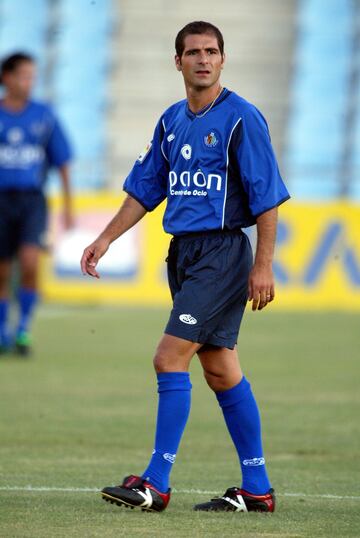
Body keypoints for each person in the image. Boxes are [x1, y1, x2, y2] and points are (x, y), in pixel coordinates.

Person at [81, 21, 290, 513]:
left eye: (211, 51)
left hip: (221, 255)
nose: (202, 59)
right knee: (219, 368)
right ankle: (256, 490)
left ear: (223, 59)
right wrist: (104, 239)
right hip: (186, 255)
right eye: (192, 52)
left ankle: (156, 482)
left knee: (168, 357)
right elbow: (145, 190)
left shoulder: (242, 118)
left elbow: (266, 199)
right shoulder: (172, 119)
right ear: (177, 61)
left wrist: (264, 266)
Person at [0, 53, 73, 356]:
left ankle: (24, 328)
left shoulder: (44, 114)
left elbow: (62, 161)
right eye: (24, 75)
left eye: (32, 76)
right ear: (7, 78)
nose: (29, 82)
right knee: (2, 272)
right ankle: (3, 330)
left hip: (32, 201)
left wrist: (69, 205)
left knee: (30, 262)